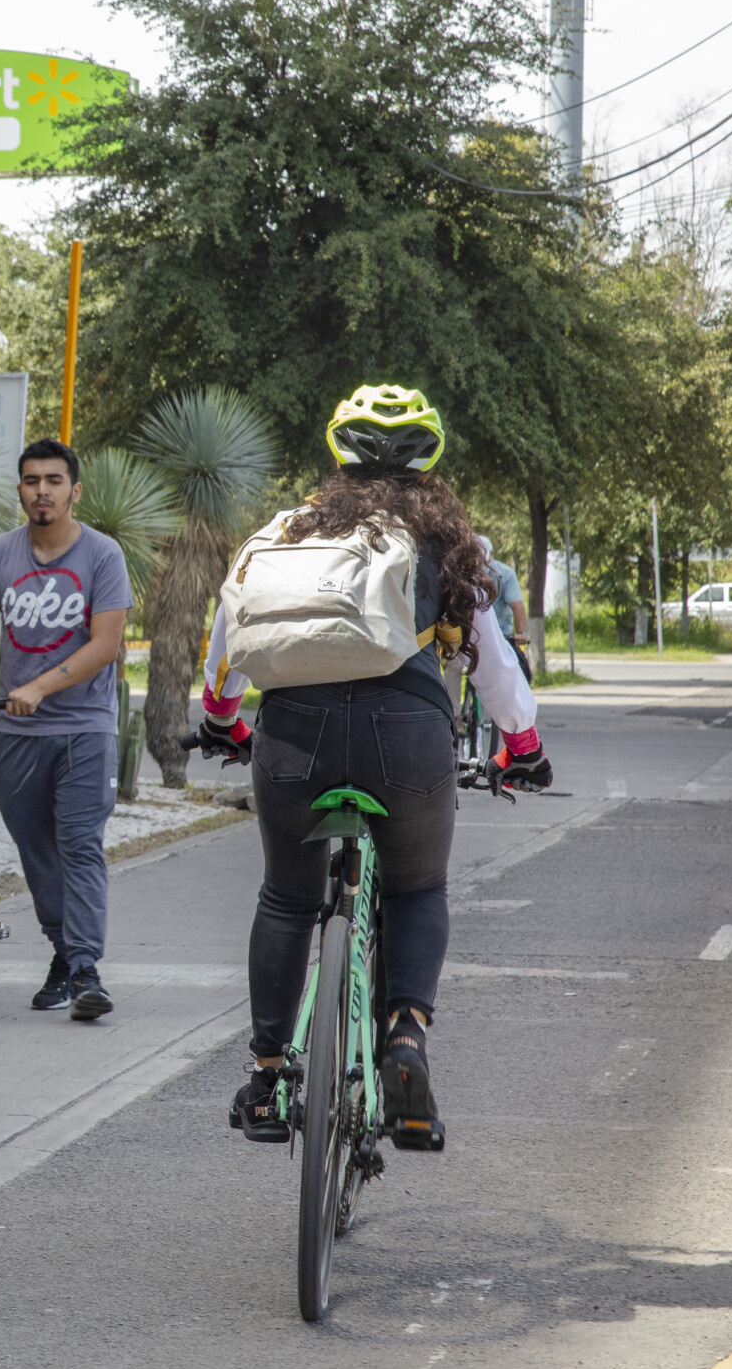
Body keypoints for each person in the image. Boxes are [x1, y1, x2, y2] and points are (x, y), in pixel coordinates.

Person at [192, 386, 551, 1149]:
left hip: (295, 733)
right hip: (408, 734)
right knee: (418, 887)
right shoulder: (451, 549)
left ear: (338, 457)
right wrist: (524, 748)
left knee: (287, 900)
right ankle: (406, 1038)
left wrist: (223, 718)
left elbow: (229, 636)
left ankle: (265, 1076)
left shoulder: (286, 532)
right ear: (430, 467)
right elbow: (496, 674)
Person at [0, 440, 133, 1021]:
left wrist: (42, 688)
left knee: (77, 845)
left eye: (53, 480)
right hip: (21, 737)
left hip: (84, 728)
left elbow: (106, 644)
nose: (41, 490)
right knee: (36, 849)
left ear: (75, 491)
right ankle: (63, 953)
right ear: (19, 490)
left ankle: (85, 968)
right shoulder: (0, 555)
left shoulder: (102, 555)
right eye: (31, 481)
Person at [479, 534, 532, 673]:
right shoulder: (465, 572)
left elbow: (517, 605)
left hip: (501, 637)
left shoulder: (506, 574)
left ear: (492, 554)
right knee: (454, 667)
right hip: (474, 636)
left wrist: (521, 633)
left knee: (507, 674)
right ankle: (450, 696)